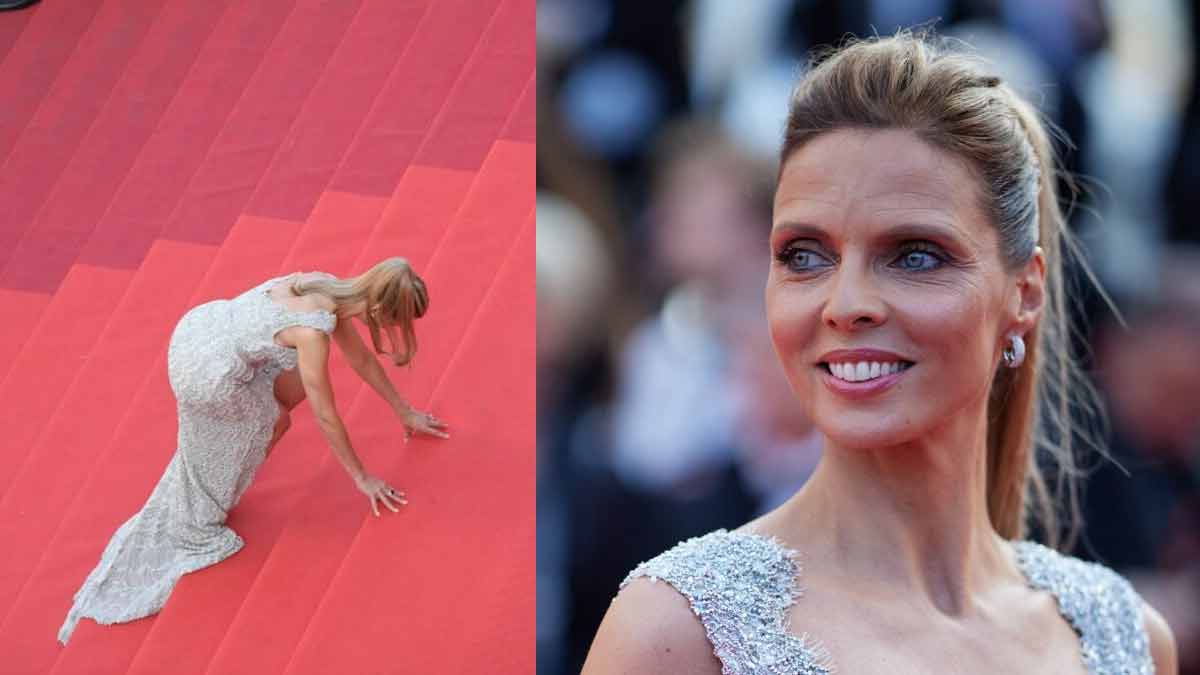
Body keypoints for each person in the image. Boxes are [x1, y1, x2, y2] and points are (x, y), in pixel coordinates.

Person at [583, 31, 1178, 674]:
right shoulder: (678, 631)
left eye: (915, 255)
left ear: (1024, 294)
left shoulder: (1122, 635)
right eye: (805, 256)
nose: (846, 303)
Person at [57, 257, 448, 645]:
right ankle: (220, 478)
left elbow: (360, 358)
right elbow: (326, 415)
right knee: (269, 424)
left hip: (200, 330)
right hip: (210, 375)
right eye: (398, 322)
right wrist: (362, 478)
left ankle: (236, 454)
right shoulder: (312, 333)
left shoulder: (325, 286)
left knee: (276, 411)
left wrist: (405, 412)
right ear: (380, 309)